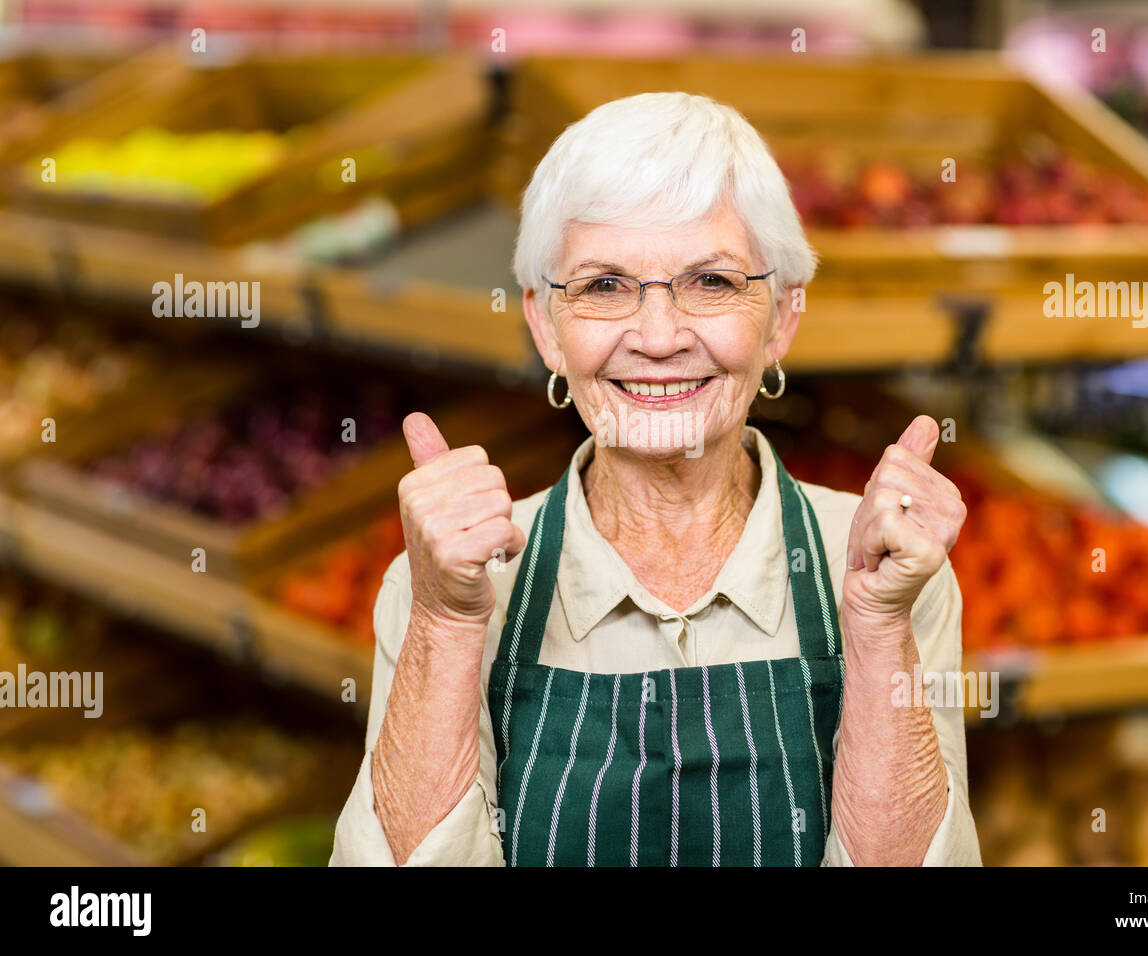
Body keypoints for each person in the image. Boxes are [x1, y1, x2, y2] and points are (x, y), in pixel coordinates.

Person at [331, 91, 981, 866]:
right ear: (545, 325)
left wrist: (877, 628)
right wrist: (443, 623)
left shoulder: (885, 567)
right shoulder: (448, 579)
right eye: (605, 286)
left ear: (781, 319)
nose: (660, 337)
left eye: (710, 282)